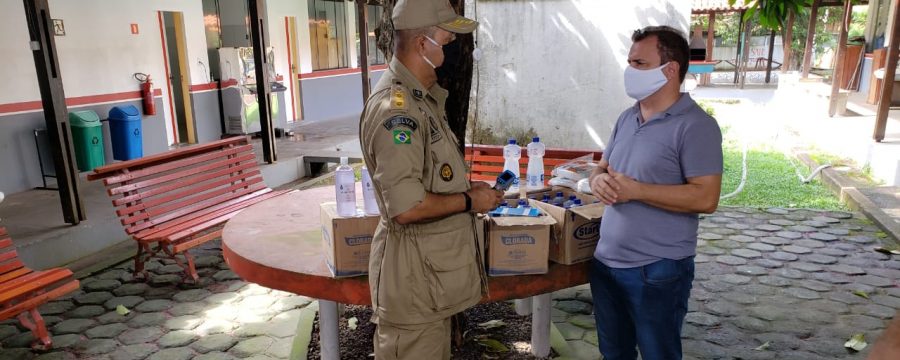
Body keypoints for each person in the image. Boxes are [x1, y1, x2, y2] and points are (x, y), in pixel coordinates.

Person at [358, 0, 503, 358]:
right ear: (423, 44)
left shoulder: (422, 101)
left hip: (427, 283)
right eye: (449, 40)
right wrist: (471, 201)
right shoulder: (399, 112)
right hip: (413, 288)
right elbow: (406, 207)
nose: (456, 49)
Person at [588, 25, 723, 360]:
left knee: (657, 354)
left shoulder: (696, 126)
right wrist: (596, 180)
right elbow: (601, 167)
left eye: (639, 63)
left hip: (657, 270)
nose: (630, 71)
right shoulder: (627, 117)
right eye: (630, 62)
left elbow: (706, 198)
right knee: (614, 354)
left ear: (671, 68)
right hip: (606, 264)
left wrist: (637, 191)